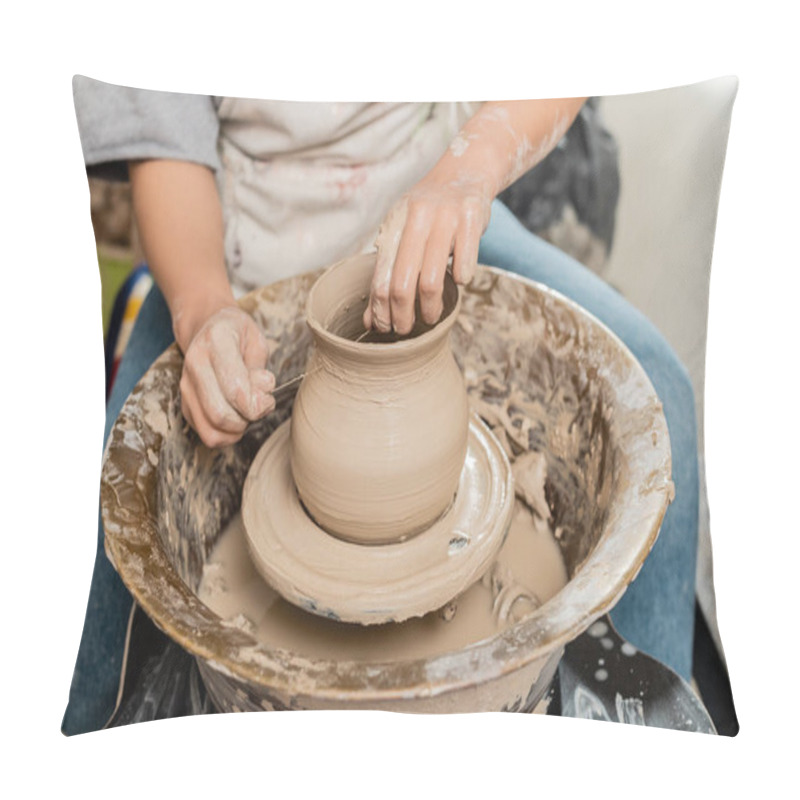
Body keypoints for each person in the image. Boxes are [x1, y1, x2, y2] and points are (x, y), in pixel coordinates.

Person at [63, 78, 699, 734]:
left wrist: (468, 174)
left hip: (431, 203)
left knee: (660, 399)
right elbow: (162, 140)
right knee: (101, 542)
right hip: (232, 245)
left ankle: (653, 745)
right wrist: (203, 309)